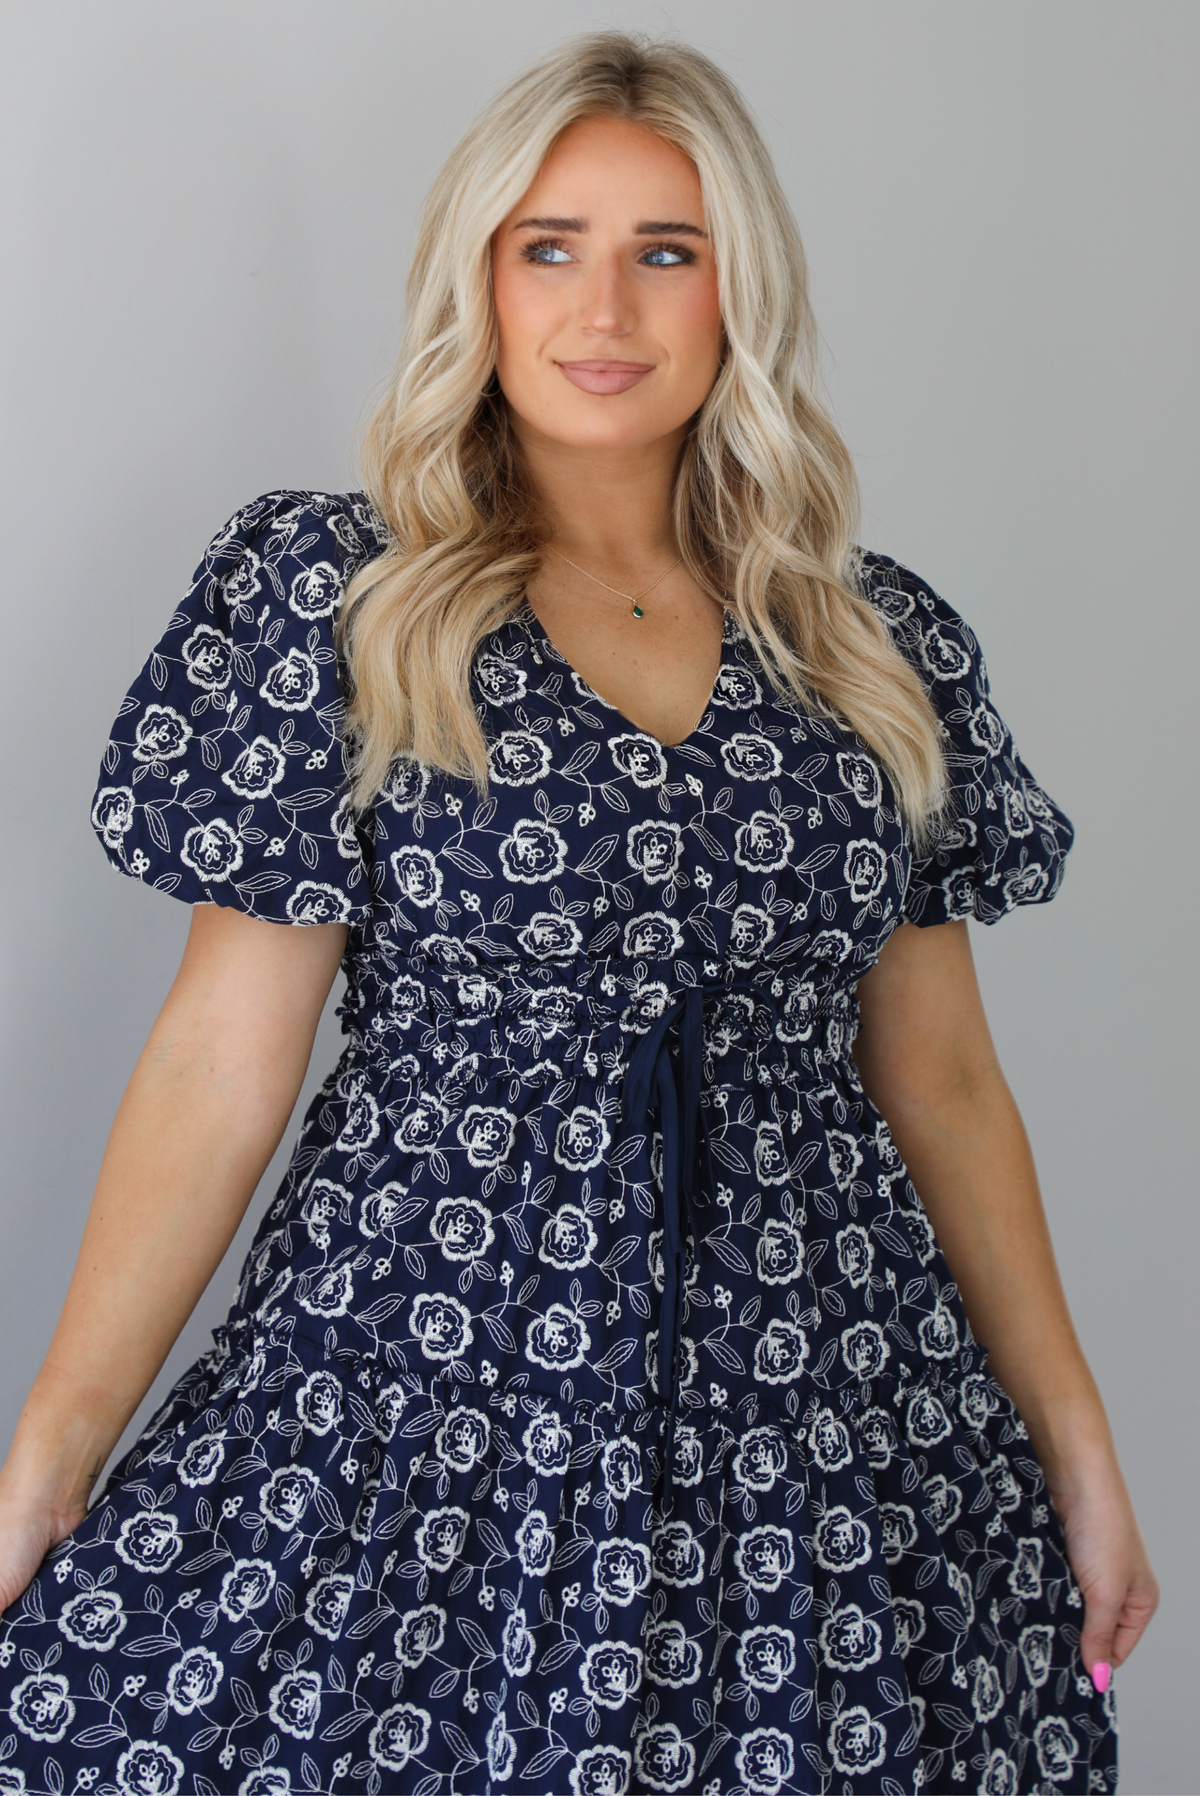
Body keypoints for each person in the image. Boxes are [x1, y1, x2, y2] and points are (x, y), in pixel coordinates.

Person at [0, 31, 1155, 1796]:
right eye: (549, 244)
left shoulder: (870, 646)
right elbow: (223, 1060)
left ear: (735, 294)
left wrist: (1077, 1441)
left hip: (824, 1395)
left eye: (665, 251)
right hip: (427, 1371)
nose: (603, 304)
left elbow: (947, 1084)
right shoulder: (342, 598)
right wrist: (52, 1454)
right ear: (477, 275)